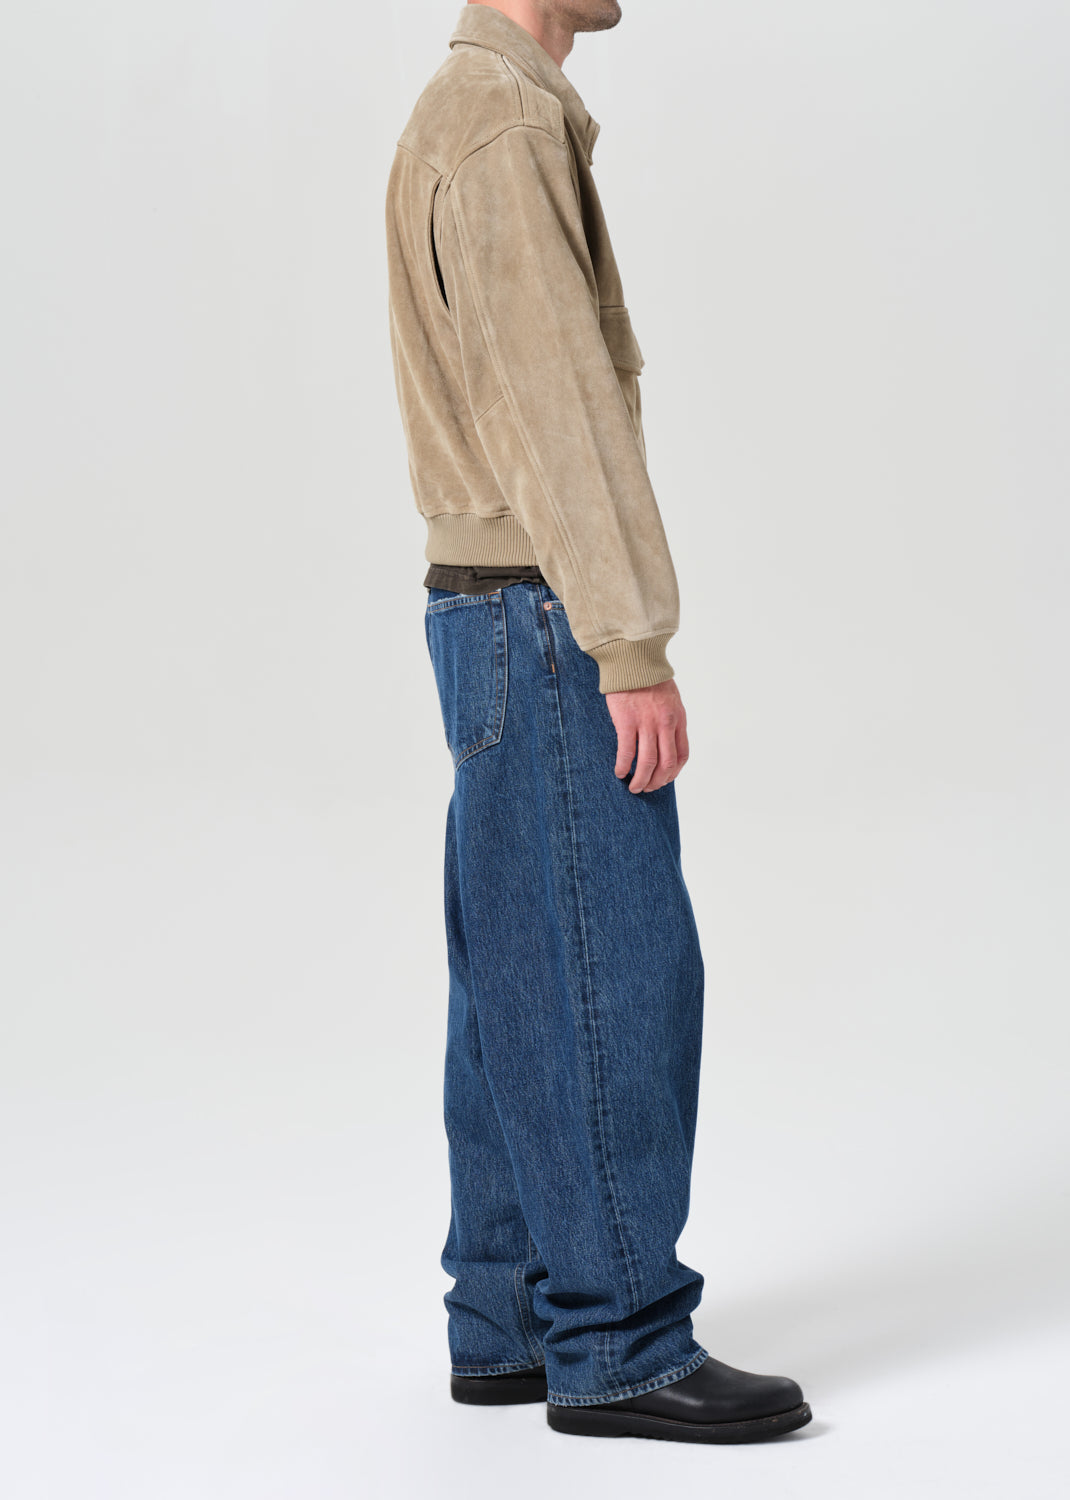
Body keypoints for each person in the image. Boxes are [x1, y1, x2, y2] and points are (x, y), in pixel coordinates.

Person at [384, 1, 811, 1443]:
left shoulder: (474, 104)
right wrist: (628, 644)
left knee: (515, 971)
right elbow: (554, 406)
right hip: (545, 608)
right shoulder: (501, 119)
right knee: (602, 972)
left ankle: (506, 1317)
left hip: (488, 605)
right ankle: (619, 1336)